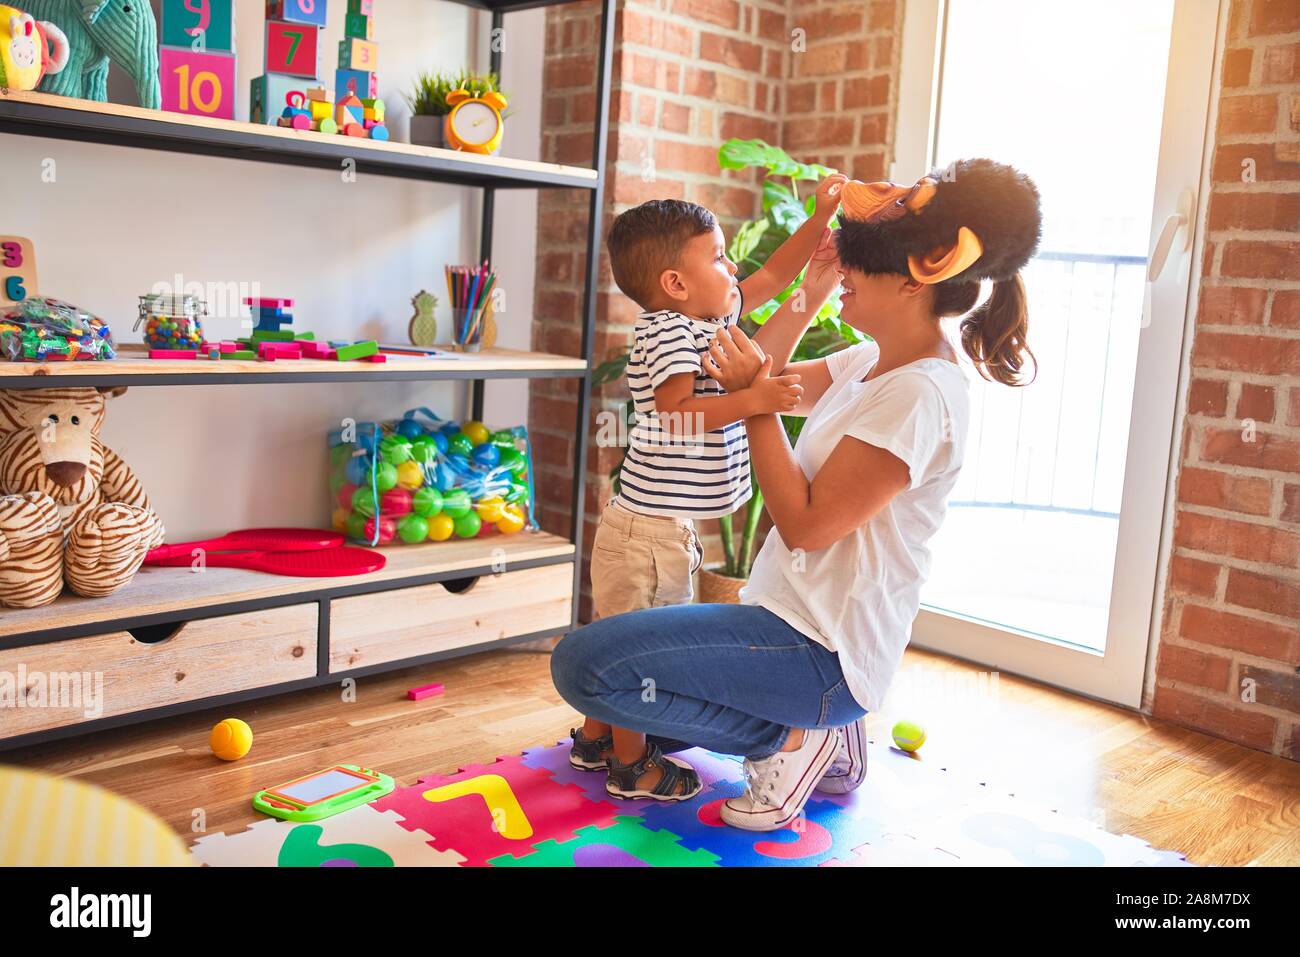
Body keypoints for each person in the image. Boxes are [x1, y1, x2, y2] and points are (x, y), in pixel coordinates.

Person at [553, 159, 1043, 829]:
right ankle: (813, 736)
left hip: (822, 652)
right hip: (777, 617)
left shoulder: (923, 394)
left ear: (910, 278)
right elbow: (765, 371)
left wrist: (755, 403)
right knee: (624, 699)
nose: (843, 275)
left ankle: (793, 737)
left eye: (853, 267)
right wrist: (807, 294)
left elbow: (806, 522)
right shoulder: (869, 360)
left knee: (587, 668)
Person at [570, 175, 848, 802]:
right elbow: (675, 411)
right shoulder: (667, 331)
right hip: (646, 532)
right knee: (639, 645)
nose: (733, 269)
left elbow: (774, 277)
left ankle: (594, 741)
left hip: (665, 527)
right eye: (720, 256)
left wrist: (820, 222)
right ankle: (632, 765)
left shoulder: (711, 318)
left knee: (626, 630)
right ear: (675, 283)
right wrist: (754, 399)